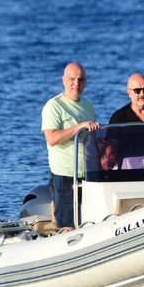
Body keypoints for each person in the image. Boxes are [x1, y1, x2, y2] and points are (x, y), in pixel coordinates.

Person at [41, 62, 99, 231]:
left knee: (90, 222)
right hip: (65, 175)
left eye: (81, 79)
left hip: (88, 174)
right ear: (63, 80)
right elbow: (51, 138)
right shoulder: (54, 106)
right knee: (67, 227)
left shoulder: (88, 105)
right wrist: (78, 127)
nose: (77, 83)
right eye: (72, 79)